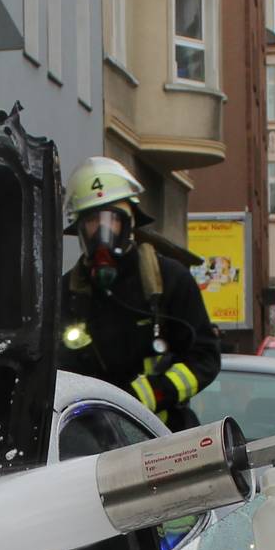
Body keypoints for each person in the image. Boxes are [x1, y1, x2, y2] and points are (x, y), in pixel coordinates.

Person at [56, 156, 222, 429]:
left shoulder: (169, 279)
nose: (103, 232)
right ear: (80, 230)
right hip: (91, 447)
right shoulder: (67, 295)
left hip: (163, 437)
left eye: (113, 221)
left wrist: (156, 392)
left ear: (130, 223)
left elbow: (205, 357)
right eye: (93, 222)